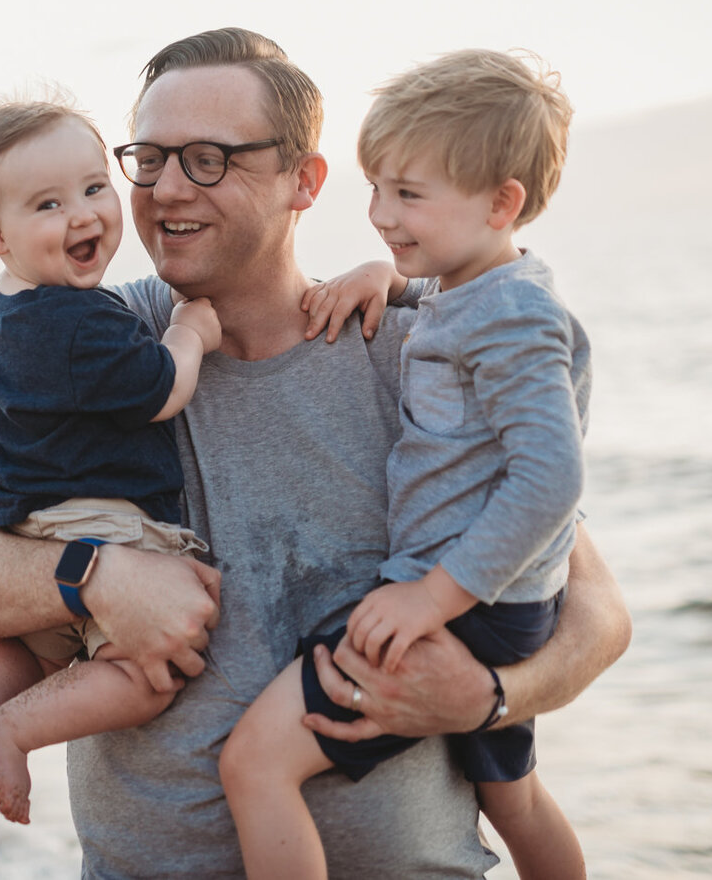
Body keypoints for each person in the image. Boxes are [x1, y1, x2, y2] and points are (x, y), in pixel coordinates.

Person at [0, 28, 632, 878]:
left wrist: (496, 696)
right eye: (150, 158)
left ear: (304, 182)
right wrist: (95, 576)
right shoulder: (82, 340)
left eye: (209, 158)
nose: (166, 189)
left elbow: (595, 608)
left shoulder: (416, 347)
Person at [220, 49, 589, 879]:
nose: (383, 213)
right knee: (513, 798)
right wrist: (388, 276)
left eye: (409, 195)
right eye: (377, 189)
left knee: (256, 764)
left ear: (503, 203)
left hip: (460, 601)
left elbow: (552, 479)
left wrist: (432, 595)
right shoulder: (483, 290)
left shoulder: (517, 318)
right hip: (498, 600)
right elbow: (453, 314)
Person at [0, 98, 223, 825]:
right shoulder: (80, 320)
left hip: (24, 529)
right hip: (107, 525)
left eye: (95, 188)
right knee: (144, 675)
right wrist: (190, 330)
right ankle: (9, 728)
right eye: (48, 204)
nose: (84, 214)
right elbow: (160, 390)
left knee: (24, 651)